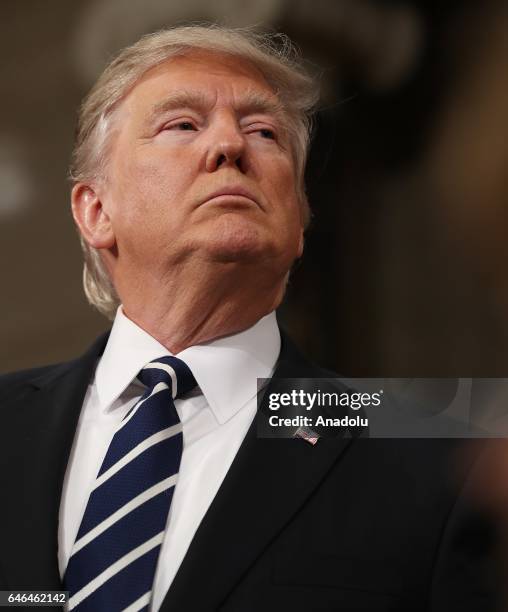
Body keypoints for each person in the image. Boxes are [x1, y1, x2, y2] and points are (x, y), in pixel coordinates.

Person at [0, 25, 497, 612]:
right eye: (182, 124)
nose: (230, 147)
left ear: (300, 221)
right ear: (96, 210)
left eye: (264, 132)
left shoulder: (439, 456)